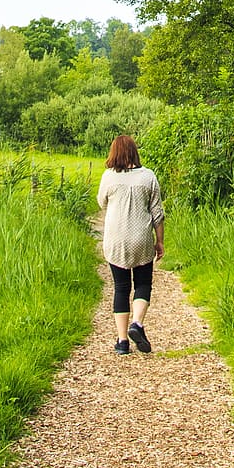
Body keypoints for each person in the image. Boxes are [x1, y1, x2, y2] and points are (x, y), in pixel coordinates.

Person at [97, 134, 165, 355]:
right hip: (141, 238)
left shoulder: (108, 177)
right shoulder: (148, 176)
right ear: (135, 152)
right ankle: (137, 323)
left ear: (114, 153)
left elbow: (101, 202)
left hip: (115, 240)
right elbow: (157, 213)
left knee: (121, 287)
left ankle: (122, 341)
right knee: (143, 283)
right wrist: (160, 241)